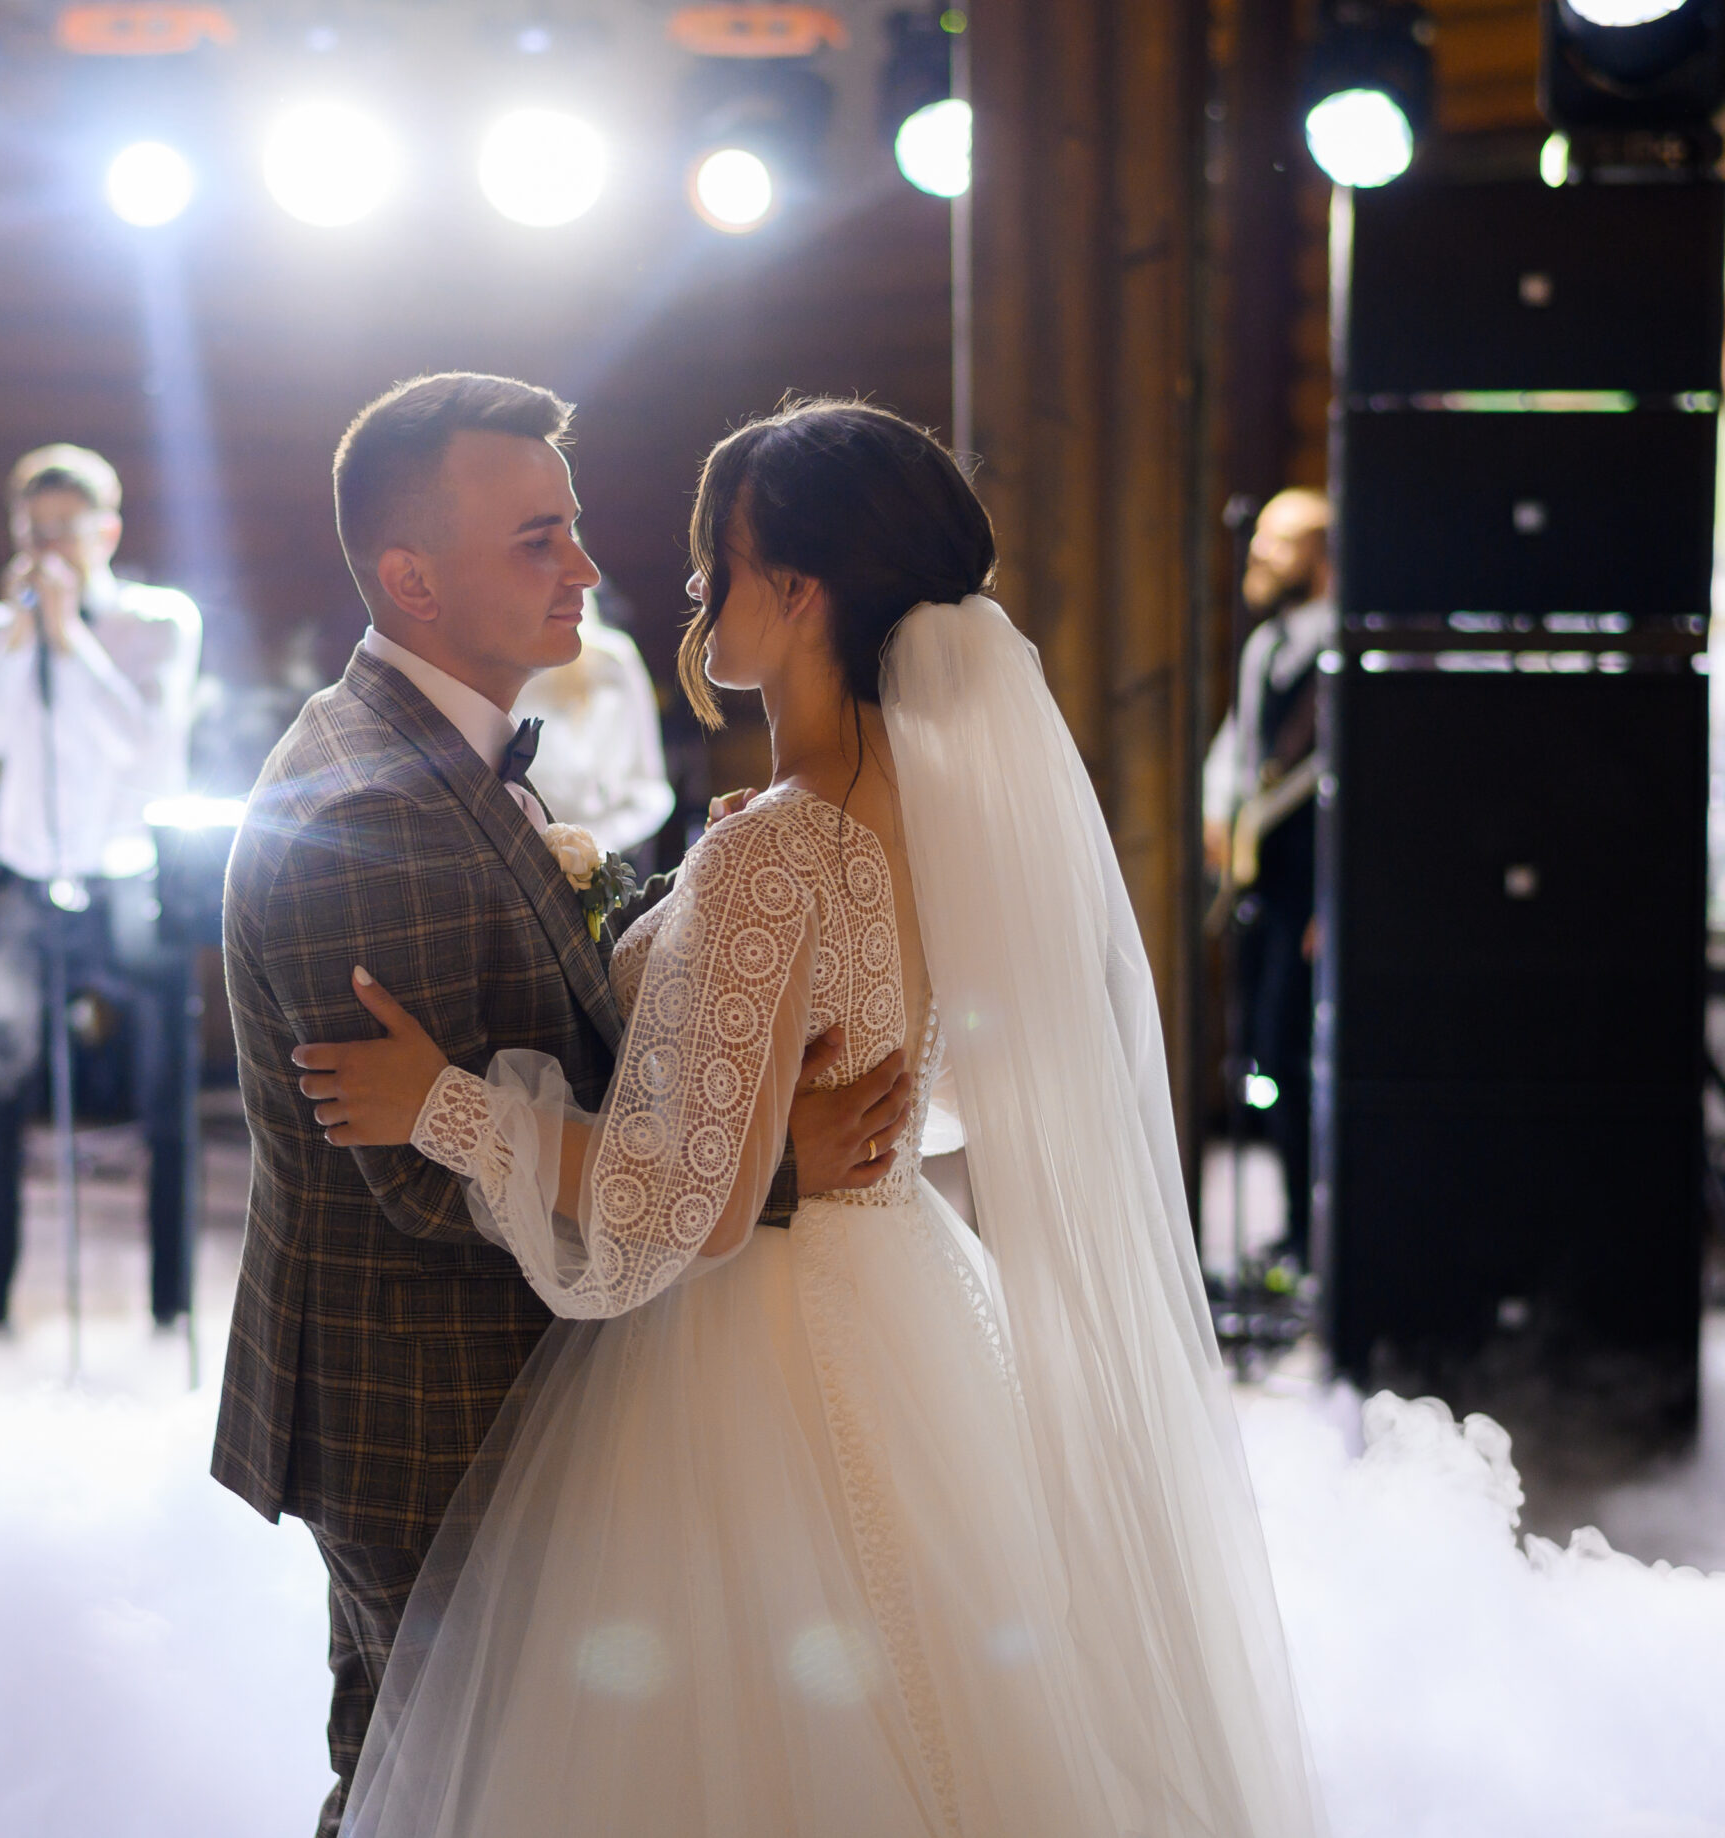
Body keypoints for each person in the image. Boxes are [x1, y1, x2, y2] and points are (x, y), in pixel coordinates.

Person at [295, 401, 1323, 1835]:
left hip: (756, 1346)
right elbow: (944, 1086)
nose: (694, 587)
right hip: (896, 1287)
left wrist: (446, 1105)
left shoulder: (782, 846)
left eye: (723, 560)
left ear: (803, 592)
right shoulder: (927, 806)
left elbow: (692, 1203)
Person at [209, 374, 917, 1838]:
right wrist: (769, 1158)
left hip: (541, 1370)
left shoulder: (452, 760)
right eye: (539, 538)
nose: (588, 568)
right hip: (433, 1397)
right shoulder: (367, 811)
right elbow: (421, 1170)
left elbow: (549, 1024)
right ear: (411, 575)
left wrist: (702, 941)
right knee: (428, 1781)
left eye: (576, 527)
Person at [0, 444, 203, 1337]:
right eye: (31, 532)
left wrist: (71, 635)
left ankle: (170, 1306)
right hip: (24, 882)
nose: (46, 549)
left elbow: (144, 745)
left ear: (106, 532)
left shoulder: (160, 623)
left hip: (130, 883)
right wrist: (15, 640)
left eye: (63, 532)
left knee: (166, 1104)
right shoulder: (0, 627)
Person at [1203, 487, 1334, 1274]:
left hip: (1311, 894)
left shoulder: (1338, 654)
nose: (1257, 559)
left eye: (1278, 546)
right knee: (1267, 1056)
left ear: (1318, 558)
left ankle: (1321, 1232)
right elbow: (1241, 749)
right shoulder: (1266, 648)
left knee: (1301, 1054)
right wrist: (1221, 811)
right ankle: (1291, 1223)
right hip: (1265, 888)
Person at [507, 590, 676, 858]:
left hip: (597, 861)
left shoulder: (610, 663)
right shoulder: (492, 667)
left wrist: (587, 848)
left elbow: (650, 792)